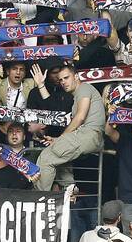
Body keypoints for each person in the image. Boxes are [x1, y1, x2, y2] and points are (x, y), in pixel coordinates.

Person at [33, 62, 106, 193]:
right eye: (60, 79)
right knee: (59, 156)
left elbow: (80, 117)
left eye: (66, 78)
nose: (63, 82)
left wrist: (61, 138)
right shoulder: (75, 98)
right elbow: (54, 107)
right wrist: (56, 140)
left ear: (76, 76)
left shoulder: (84, 88)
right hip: (86, 136)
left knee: (45, 159)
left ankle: (40, 198)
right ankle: (70, 186)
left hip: (89, 135)